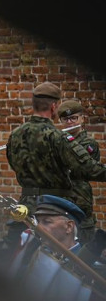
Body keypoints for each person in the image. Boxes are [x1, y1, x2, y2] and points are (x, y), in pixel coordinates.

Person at [6, 84, 106, 211]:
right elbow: (88, 168)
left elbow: (14, 164)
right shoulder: (57, 136)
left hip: (26, 206)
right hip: (53, 207)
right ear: (54, 107)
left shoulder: (15, 134)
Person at [58, 100, 100, 244]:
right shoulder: (57, 140)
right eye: (65, 119)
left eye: (73, 118)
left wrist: (66, 141)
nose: (69, 122)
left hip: (80, 198)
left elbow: (83, 169)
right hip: (61, 197)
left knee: (83, 241)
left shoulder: (89, 143)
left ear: (82, 119)